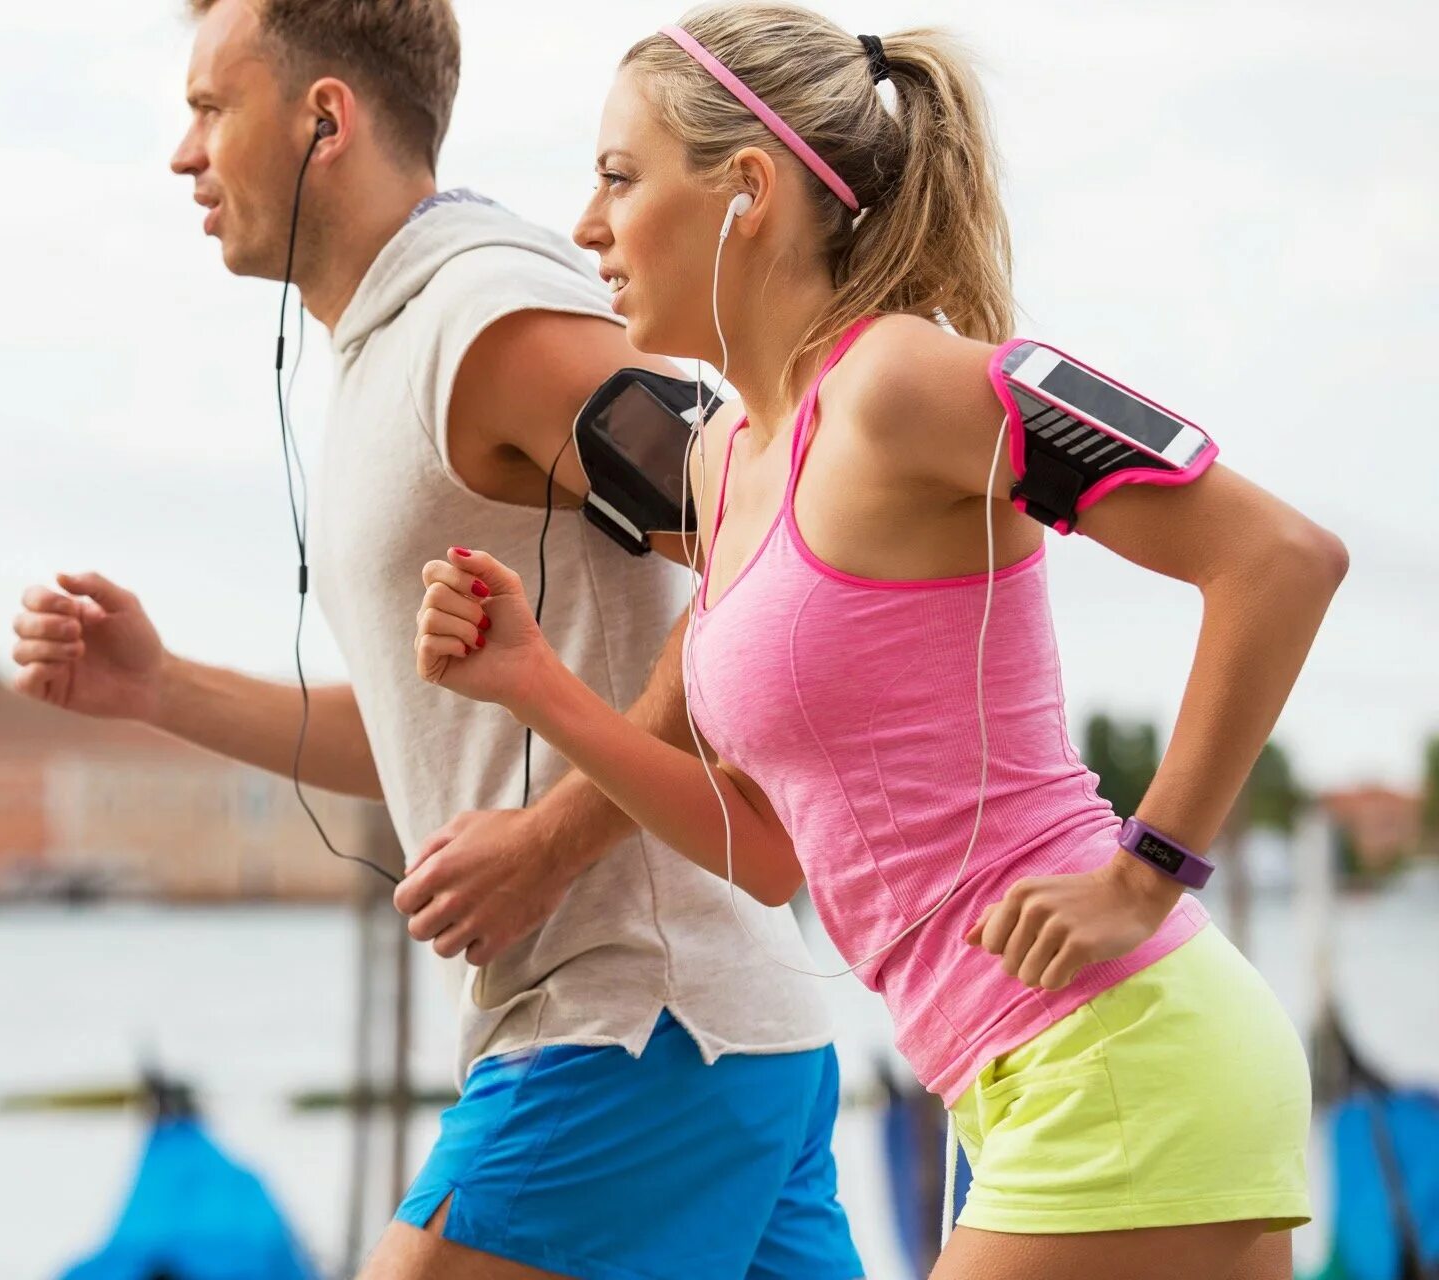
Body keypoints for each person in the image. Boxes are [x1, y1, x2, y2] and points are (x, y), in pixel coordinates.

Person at [413, 5, 1346, 1278]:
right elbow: (773, 854)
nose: (586, 226)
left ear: (746, 190)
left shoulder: (901, 382)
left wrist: (1146, 870)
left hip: (1111, 1054)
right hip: (1022, 1080)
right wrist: (534, 681)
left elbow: (1277, 560)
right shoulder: (727, 461)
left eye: (619, 178)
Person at [11, 2, 864, 1277]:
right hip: (711, 1041)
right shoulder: (387, 348)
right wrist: (161, 688)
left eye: (208, 108)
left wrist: (550, 837)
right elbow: (427, 738)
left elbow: (776, 537)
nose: (183, 155)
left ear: (325, 119)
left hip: (636, 1026)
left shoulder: (492, 321)